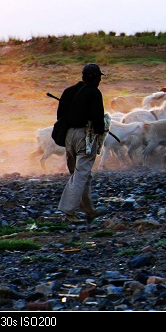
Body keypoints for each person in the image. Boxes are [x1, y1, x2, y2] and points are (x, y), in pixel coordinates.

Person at [56, 63, 107, 222]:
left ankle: (88, 209)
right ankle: (69, 212)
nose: (100, 80)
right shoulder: (94, 93)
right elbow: (98, 120)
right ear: (96, 78)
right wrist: (100, 133)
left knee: (80, 173)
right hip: (85, 137)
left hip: (69, 136)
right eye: (99, 77)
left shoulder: (69, 91)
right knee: (80, 175)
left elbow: (60, 116)